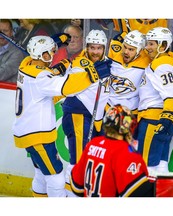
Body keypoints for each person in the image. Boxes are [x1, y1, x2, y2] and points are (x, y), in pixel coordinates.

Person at [12, 35, 100, 197]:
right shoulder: (40, 78)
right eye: (51, 52)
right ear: (43, 55)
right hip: (38, 136)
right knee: (56, 178)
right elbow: (68, 87)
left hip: (27, 132)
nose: (53, 54)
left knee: (41, 174)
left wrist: (58, 41)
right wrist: (91, 73)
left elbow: (46, 71)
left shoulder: (25, 65)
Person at [61, 29, 111, 197]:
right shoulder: (79, 64)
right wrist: (94, 73)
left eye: (98, 48)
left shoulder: (107, 63)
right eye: (92, 48)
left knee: (91, 161)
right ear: (87, 47)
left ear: (104, 48)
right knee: (78, 162)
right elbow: (71, 86)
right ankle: (72, 199)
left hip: (93, 117)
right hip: (78, 115)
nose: (95, 52)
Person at [70, 104, 154, 197]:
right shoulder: (124, 151)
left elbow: (76, 186)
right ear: (126, 126)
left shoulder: (93, 144)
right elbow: (139, 193)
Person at [137, 27, 173, 173]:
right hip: (162, 119)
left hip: (154, 120)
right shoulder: (168, 61)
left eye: (151, 44)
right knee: (161, 166)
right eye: (147, 44)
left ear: (163, 46)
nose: (147, 48)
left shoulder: (161, 64)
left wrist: (167, 118)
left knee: (145, 169)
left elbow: (172, 93)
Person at [107, 29, 150, 116]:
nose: (126, 52)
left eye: (131, 49)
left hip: (130, 111)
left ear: (139, 51)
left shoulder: (147, 63)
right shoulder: (114, 57)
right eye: (125, 47)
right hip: (108, 107)